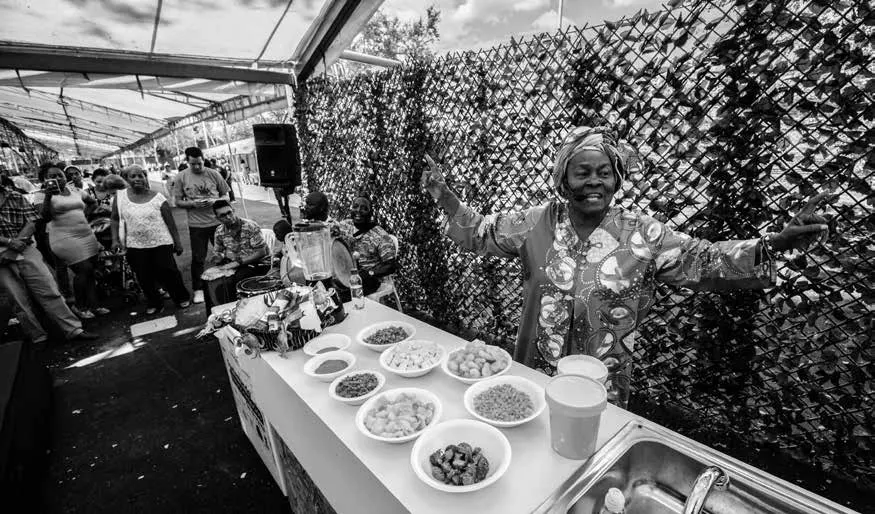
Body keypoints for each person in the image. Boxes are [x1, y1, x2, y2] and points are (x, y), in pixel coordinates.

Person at [421, 125, 831, 406]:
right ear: (563, 181)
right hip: (537, 369)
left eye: (604, 173)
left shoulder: (644, 234)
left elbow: (701, 259)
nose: (594, 182)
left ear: (617, 180)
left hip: (604, 377)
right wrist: (444, 195)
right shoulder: (534, 223)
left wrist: (774, 244)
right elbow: (478, 231)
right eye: (582, 172)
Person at [0, 178, 97, 343]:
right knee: (18, 299)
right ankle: (38, 336)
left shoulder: (15, 196)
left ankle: (73, 329)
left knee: (49, 290)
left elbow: (31, 221)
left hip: (24, 246)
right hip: (4, 252)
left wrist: (18, 242)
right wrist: (9, 243)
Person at [111, 165, 190, 314]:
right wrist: (115, 239)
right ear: (126, 179)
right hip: (134, 244)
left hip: (161, 241)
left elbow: (170, 223)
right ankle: (154, 302)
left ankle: (181, 297)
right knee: (143, 275)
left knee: (169, 271)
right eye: (133, 176)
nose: (137, 179)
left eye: (140, 176)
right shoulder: (120, 197)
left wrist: (177, 242)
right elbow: (114, 219)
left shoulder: (158, 197)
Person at [40, 165, 108, 319]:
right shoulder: (42, 195)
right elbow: (44, 217)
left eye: (60, 175)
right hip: (64, 238)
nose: (57, 178)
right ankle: (80, 306)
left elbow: (92, 202)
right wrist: (47, 196)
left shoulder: (75, 191)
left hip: (86, 234)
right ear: (45, 180)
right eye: (52, 176)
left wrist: (82, 215)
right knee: (84, 269)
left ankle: (95, 306)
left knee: (90, 271)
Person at [173, 147, 230, 304]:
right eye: (193, 164)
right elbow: (177, 202)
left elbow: (226, 194)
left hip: (218, 222)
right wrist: (193, 203)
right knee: (198, 258)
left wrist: (215, 201)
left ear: (203, 159)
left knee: (225, 253)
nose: (197, 167)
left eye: (199, 163)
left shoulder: (214, 174)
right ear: (187, 162)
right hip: (196, 224)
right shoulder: (181, 177)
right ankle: (198, 289)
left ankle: (228, 281)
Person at [203, 200, 268, 308]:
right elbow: (219, 251)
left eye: (229, 213)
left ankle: (238, 309)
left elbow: (261, 252)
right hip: (235, 263)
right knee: (207, 280)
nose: (228, 217)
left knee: (238, 277)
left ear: (234, 211)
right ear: (217, 218)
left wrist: (237, 263)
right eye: (223, 215)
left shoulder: (250, 226)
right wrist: (218, 257)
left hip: (258, 263)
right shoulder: (219, 231)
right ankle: (216, 314)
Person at [337, 195, 397, 296]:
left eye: (364, 208)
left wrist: (370, 273)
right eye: (355, 206)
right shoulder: (345, 225)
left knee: (340, 295)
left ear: (370, 213)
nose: (358, 211)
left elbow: (391, 266)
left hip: (370, 280)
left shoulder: (380, 236)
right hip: (347, 274)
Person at [85, 168, 115, 250]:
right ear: (92, 180)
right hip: (93, 233)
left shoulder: (114, 192)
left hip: (112, 231)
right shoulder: (86, 193)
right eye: (98, 182)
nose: (102, 184)